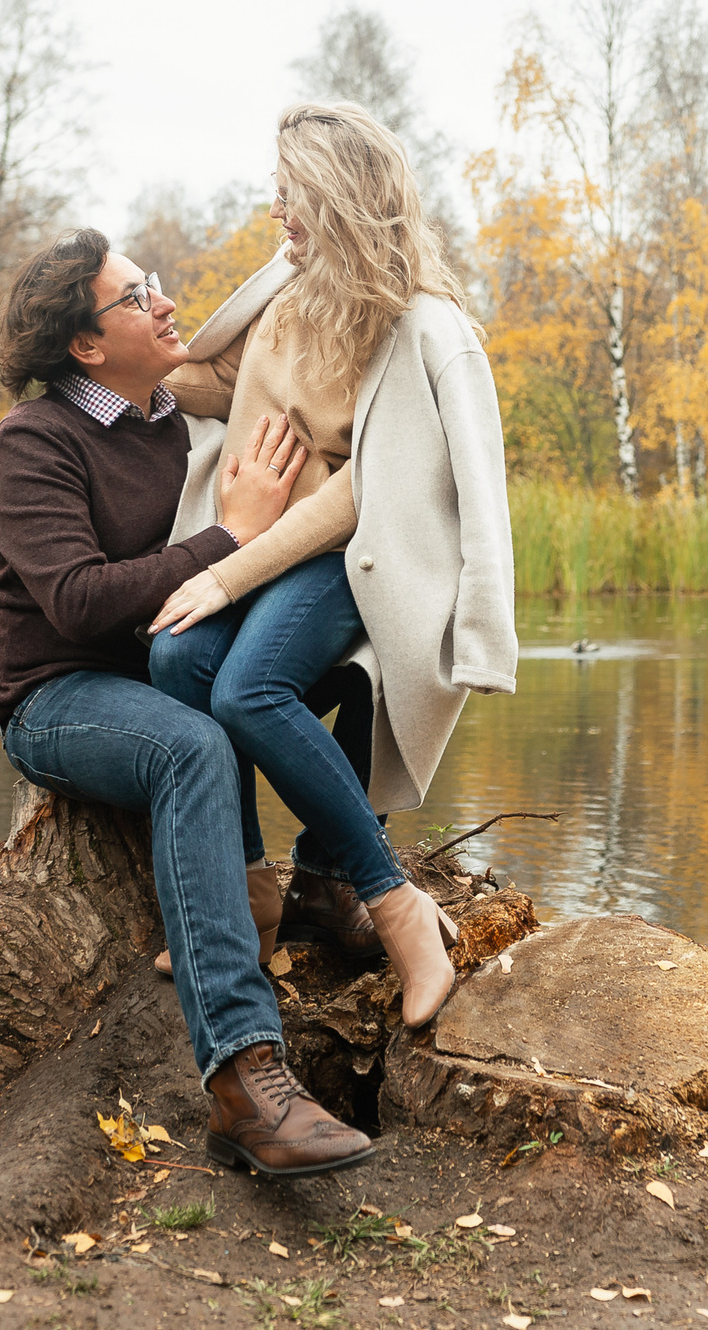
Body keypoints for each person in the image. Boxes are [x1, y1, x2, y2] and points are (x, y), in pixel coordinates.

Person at [0, 227, 376, 1179]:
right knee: (191, 745)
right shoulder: (33, 442)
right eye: (134, 296)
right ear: (85, 344)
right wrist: (232, 534)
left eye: (150, 283)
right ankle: (244, 1080)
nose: (163, 302)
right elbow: (79, 600)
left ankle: (327, 881)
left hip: (162, 667)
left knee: (363, 655)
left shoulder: (175, 421)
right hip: (56, 694)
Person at [143, 101, 518, 1030]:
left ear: (339, 196)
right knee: (177, 658)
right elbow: (224, 384)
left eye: (290, 193)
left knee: (248, 691)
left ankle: (397, 906)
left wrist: (228, 569)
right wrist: (121, 358)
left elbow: (367, 491)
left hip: (351, 555)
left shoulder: (414, 324)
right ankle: (248, 893)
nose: (275, 212)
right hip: (261, 542)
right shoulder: (287, 294)